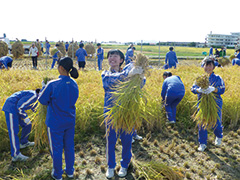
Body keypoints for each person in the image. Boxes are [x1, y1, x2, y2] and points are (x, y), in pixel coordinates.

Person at [102, 49, 144, 178]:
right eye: (109, 56)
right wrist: (129, 74)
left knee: (127, 140)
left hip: (127, 112)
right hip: (111, 112)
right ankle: (110, 166)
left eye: (115, 56)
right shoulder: (106, 73)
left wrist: (140, 76)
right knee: (111, 141)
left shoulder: (129, 73)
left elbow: (140, 85)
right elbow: (110, 81)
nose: (111, 58)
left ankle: (125, 165)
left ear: (121, 60)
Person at [38, 57, 79, 180]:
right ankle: (70, 171)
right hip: (69, 121)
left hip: (55, 123)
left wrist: (43, 88)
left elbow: (42, 100)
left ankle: (57, 174)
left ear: (61, 68)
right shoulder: (74, 83)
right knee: (69, 147)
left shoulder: (53, 84)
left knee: (56, 149)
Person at [191, 58, 225, 152]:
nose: (208, 67)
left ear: (213, 67)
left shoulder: (218, 78)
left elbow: (222, 89)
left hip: (216, 103)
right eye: (206, 65)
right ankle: (202, 143)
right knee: (202, 123)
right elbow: (192, 88)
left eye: (210, 66)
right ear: (203, 66)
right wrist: (199, 90)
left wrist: (213, 89)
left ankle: (218, 135)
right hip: (202, 103)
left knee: (216, 122)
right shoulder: (200, 78)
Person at [2, 89, 40, 161]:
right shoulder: (34, 95)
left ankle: (24, 142)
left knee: (27, 125)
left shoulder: (35, 97)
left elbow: (32, 107)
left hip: (16, 109)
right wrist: (25, 117)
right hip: (11, 108)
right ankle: (16, 155)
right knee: (13, 131)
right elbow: (20, 106)